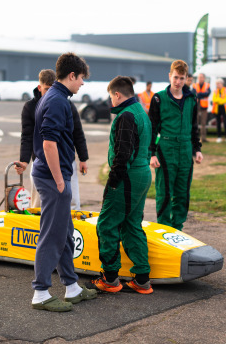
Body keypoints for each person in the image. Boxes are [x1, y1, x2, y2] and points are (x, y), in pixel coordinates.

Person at [30, 53, 97, 312]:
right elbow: (48, 143)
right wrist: (59, 180)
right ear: (72, 75)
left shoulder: (56, 97)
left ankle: (72, 287)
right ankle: (41, 293)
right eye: (81, 79)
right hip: (51, 176)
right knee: (52, 235)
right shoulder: (57, 100)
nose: (82, 84)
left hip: (52, 174)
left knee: (66, 233)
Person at [90, 76, 153, 294]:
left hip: (127, 176)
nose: (111, 101)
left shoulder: (125, 116)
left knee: (106, 224)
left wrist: (113, 182)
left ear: (117, 94)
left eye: (111, 97)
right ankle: (142, 279)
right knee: (131, 224)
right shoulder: (140, 112)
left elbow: (123, 154)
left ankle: (109, 278)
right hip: (142, 173)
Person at [15, 70, 89, 211]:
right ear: (39, 88)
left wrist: (83, 158)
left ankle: (72, 230)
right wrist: (24, 160)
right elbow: (27, 135)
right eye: (47, 89)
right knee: (39, 203)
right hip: (41, 161)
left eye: (52, 89)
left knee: (71, 202)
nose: (49, 93)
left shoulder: (66, 104)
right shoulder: (30, 107)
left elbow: (78, 133)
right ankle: (38, 229)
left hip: (66, 162)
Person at [149, 60, 203, 231]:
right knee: (164, 192)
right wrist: (151, 153)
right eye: (175, 77)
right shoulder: (158, 98)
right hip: (166, 147)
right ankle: (165, 229)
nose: (178, 81)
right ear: (169, 76)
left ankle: (178, 228)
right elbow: (152, 128)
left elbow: (194, 126)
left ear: (186, 78)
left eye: (181, 78)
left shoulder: (192, 99)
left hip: (186, 149)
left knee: (182, 192)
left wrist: (197, 149)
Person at [212, 78, 226, 143]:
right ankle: (219, 137)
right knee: (218, 123)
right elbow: (214, 99)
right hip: (217, 109)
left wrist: (219, 100)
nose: (218, 85)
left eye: (219, 83)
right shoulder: (215, 91)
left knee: (225, 123)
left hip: (225, 109)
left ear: (222, 84)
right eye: (217, 84)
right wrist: (221, 100)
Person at [192, 73, 210, 143]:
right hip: (196, 106)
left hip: (204, 107)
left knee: (203, 123)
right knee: (195, 122)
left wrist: (198, 94)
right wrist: (202, 94)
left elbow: (207, 93)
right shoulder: (194, 85)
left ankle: (204, 138)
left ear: (204, 78)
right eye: (199, 77)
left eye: (201, 77)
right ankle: (195, 138)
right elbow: (193, 93)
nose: (200, 78)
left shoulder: (207, 85)